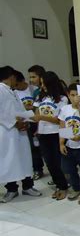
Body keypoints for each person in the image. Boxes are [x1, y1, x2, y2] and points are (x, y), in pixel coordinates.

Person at [0, 66, 41, 203]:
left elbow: (20, 109)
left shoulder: (12, 91)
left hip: (21, 131)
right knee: (10, 160)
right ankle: (11, 189)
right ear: (10, 76)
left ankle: (28, 186)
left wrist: (26, 121)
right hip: (7, 132)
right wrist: (14, 122)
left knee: (24, 158)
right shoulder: (0, 89)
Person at [33, 71, 69, 200]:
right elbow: (37, 115)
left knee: (58, 163)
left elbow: (60, 120)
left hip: (56, 133)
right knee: (49, 162)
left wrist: (43, 117)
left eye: (44, 83)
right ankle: (59, 185)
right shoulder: (40, 97)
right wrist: (35, 121)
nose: (42, 86)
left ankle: (63, 187)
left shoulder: (62, 99)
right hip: (43, 134)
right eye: (41, 84)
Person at [58, 84, 80, 204]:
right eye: (72, 95)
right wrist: (61, 143)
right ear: (68, 95)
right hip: (69, 144)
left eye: (77, 95)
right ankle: (76, 187)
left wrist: (78, 106)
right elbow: (62, 126)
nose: (74, 98)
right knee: (68, 169)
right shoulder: (64, 109)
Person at [27, 65, 46, 180]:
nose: (31, 80)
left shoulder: (49, 90)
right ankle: (38, 169)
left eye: (33, 77)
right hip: (36, 122)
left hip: (50, 124)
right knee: (35, 147)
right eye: (30, 77)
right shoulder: (36, 92)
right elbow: (35, 109)